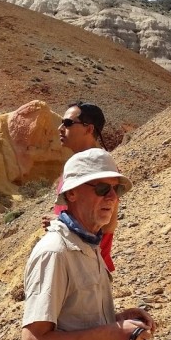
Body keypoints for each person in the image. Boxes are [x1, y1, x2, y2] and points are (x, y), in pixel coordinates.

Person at [23, 148, 155, 340]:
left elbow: (75, 317)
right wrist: (110, 334)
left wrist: (119, 320)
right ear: (71, 194)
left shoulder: (87, 244)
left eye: (115, 189)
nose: (112, 197)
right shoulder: (55, 252)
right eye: (101, 188)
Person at [51, 102, 118, 272]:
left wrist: (59, 222)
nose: (60, 128)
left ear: (89, 129)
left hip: (88, 265)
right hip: (71, 258)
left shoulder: (103, 170)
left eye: (67, 123)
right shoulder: (77, 166)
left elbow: (108, 223)